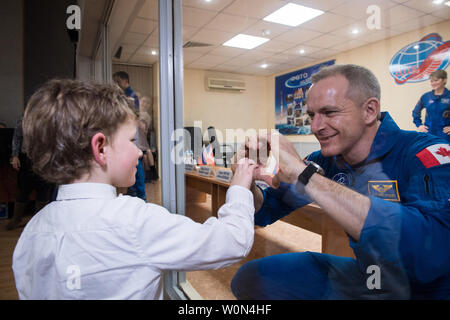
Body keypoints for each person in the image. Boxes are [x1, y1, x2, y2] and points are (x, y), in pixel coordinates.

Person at [12, 79, 256, 299]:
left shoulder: (32, 231)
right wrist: (240, 185)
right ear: (100, 148)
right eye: (131, 141)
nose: (139, 151)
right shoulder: (135, 222)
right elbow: (232, 241)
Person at [231, 64, 450, 299]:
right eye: (312, 115)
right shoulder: (325, 161)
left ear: (369, 110)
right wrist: (246, 182)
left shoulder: (425, 153)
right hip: (372, 277)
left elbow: (433, 253)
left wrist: (302, 175)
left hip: (429, 289)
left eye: (329, 112)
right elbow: (264, 209)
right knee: (252, 279)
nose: (315, 127)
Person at [6, 117, 52, 230]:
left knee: (43, 191)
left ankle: (39, 221)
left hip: (44, 159)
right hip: (26, 159)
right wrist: (15, 156)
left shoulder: (50, 120)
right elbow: (16, 138)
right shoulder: (23, 120)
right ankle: (16, 219)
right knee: (23, 190)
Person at [113, 71, 146, 200]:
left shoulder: (131, 96)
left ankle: (141, 194)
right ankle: (133, 191)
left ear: (125, 81)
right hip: (128, 131)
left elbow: (133, 115)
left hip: (132, 131)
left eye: (118, 82)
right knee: (132, 161)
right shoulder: (125, 95)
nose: (116, 84)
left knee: (136, 162)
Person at [412, 69, 450, 141]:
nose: (433, 83)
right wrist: (419, 125)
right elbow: (415, 112)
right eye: (431, 81)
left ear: (444, 80)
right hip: (429, 135)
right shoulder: (426, 97)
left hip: (446, 136)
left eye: (436, 80)